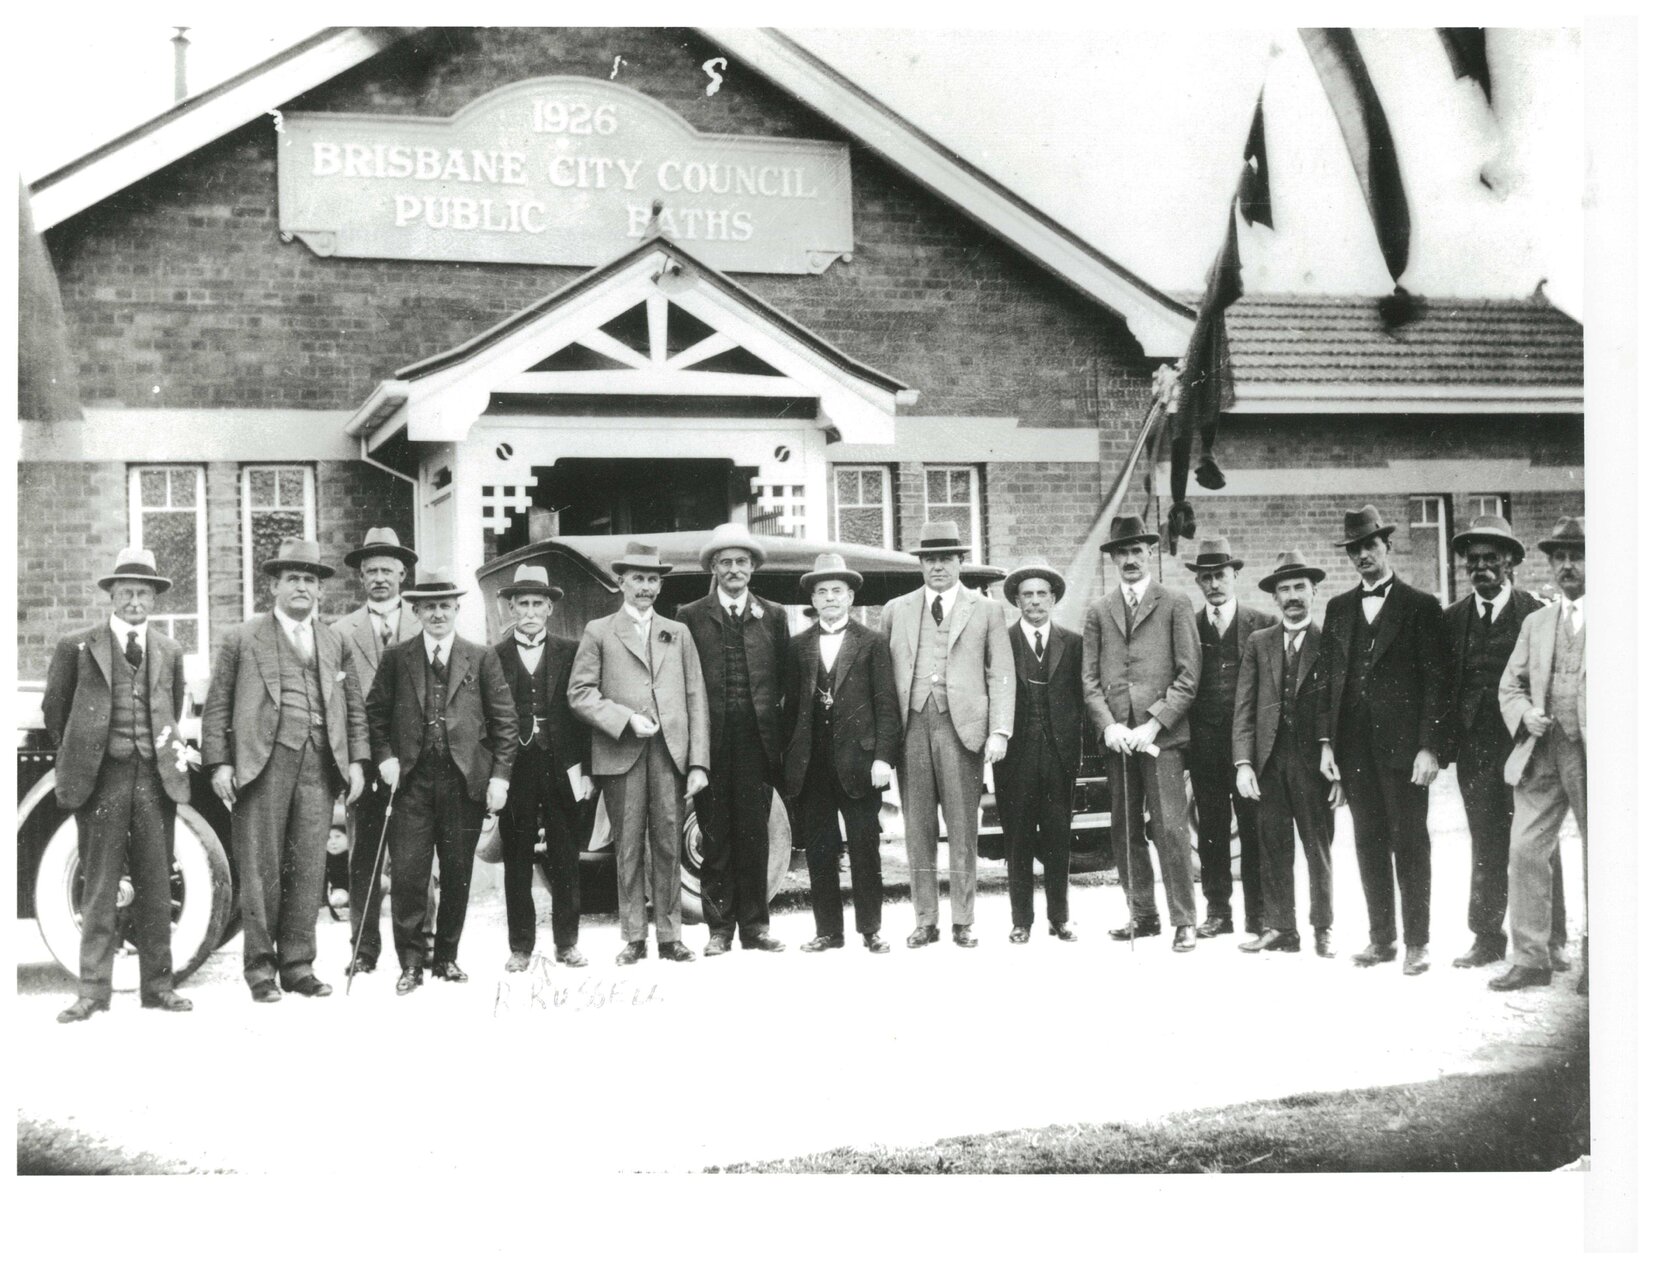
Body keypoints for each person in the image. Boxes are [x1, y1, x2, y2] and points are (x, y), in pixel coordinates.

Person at [201, 538, 368, 1002]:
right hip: (262, 765)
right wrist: (219, 762)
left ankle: (298, 966)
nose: (302, 587)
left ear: (320, 591)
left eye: (310, 580)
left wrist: (356, 762)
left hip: (319, 765)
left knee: (308, 869)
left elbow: (353, 709)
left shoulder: (335, 640)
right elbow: (217, 706)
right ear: (274, 586)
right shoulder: (242, 638)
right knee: (260, 871)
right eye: (292, 578)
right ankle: (260, 972)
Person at [44, 547, 195, 1021]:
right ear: (111, 595)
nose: (135, 601)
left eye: (144, 593)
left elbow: (170, 708)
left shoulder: (169, 651)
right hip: (101, 779)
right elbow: (56, 711)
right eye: (126, 591)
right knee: (100, 882)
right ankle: (92, 991)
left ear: (154, 600)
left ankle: (159, 987)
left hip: (154, 778)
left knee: (155, 882)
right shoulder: (77, 646)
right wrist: (87, 753)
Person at [365, 567, 516, 996]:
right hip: (410, 783)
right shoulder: (398, 657)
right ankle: (411, 962)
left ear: (456, 609)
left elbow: (505, 724)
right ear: (415, 610)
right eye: (428, 606)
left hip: (462, 783)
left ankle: (446, 957)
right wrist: (386, 758)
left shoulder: (481, 657)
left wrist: (500, 779)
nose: (437, 614)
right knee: (410, 876)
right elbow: (374, 715)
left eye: (444, 606)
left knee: (457, 873)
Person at [1319, 505, 1449, 976]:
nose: (1362, 556)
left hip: (1404, 752)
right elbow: (1329, 683)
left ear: (1386, 546)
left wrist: (1429, 746)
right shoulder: (1338, 609)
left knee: (1410, 841)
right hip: (1354, 751)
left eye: (1370, 546)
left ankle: (1418, 942)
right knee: (1368, 841)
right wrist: (1326, 744)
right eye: (1354, 549)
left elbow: (1438, 682)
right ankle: (1382, 939)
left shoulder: (1420, 606)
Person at [569, 542, 710, 966]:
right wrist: (624, 719)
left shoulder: (677, 631)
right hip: (621, 753)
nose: (646, 587)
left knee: (668, 843)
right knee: (628, 846)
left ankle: (670, 937)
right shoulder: (599, 631)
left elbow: (695, 697)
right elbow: (579, 693)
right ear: (621, 582)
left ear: (660, 585)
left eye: (653, 580)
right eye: (638, 579)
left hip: (669, 754)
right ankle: (633, 936)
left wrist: (699, 762)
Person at [881, 521, 1014, 949]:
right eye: (930, 559)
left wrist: (999, 730)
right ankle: (925, 919)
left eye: (946, 558)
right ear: (921, 564)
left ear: (960, 562)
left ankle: (963, 920)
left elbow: (1001, 673)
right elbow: (884, 680)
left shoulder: (986, 609)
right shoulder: (896, 609)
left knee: (962, 827)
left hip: (963, 730)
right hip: (912, 727)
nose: (937, 566)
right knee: (917, 829)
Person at [1442, 514, 1566, 971]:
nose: (1481, 569)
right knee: (1486, 841)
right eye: (1472, 561)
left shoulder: (1536, 613)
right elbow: (1442, 686)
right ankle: (1487, 937)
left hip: (1526, 745)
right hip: (1475, 748)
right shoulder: (1452, 618)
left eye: (1491, 559)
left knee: (1537, 841)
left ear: (1511, 562)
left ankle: (1552, 939)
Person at [1082, 514, 1202, 951]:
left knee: (1170, 827)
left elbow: (1189, 674)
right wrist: (1109, 725)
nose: (1130, 559)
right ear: (1113, 558)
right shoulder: (1099, 610)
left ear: (1149, 553)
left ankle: (1184, 920)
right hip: (1118, 740)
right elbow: (1089, 680)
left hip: (1160, 739)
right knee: (1125, 828)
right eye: (1122, 552)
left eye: (1137, 551)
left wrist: (1153, 722)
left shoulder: (1175, 602)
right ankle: (1143, 914)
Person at [678, 523, 791, 955]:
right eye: (724, 562)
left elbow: (784, 679)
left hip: (757, 742)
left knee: (754, 834)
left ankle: (756, 927)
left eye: (741, 562)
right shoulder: (690, 615)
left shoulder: (774, 615)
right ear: (713, 568)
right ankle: (719, 929)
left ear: (752, 568)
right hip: (710, 742)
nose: (733, 569)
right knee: (714, 833)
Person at [782, 553, 900, 953]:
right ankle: (828, 931)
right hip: (811, 763)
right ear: (812, 601)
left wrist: (884, 758)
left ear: (851, 597)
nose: (830, 598)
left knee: (865, 847)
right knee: (819, 849)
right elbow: (789, 708)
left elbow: (887, 705)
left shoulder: (872, 643)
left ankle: (870, 929)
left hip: (862, 764)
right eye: (822, 592)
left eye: (837, 591)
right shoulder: (797, 646)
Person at [1491, 515, 1588, 994]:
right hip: (1544, 751)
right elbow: (1510, 684)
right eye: (1560, 558)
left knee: (1606, 856)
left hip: (1595, 754)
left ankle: (1606, 961)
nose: (1567, 566)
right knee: (1525, 848)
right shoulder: (1537, 621)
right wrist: (1526, 713)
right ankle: (1531, 958)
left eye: (1577, 556)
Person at [1233, 550, 1340, 956]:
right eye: (1284, 589)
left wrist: (1338, 767)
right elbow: (1244, 707)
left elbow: (1339, 705)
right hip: (1269, 762)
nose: (1293, 596)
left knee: (1318, 848)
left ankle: (1323, 927)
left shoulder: (1329, 641)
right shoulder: (1259, 643)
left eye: (1299, 587)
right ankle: (1281, 928)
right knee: (1272, 844)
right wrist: (1244, 763)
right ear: (1275, 598)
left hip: (1314, 764)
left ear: (1314, 591)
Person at [330, 526, 425, 977]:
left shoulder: (425, 623)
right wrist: (353, 760)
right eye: (372, 571)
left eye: (388, 569)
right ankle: (363, 949)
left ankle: (419, 947)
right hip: (366, 762)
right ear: (361, 578)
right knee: (364, 858)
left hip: (417, 762)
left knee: (418, 859)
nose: (380, 578)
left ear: (403, 574)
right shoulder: (340, 632)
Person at [492, 564, 593, 971]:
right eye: (523, 604)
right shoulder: (494, 656)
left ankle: (567, 943)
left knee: (565, 854)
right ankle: (520, 947)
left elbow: (583, 711)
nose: (531, 611)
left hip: (562, 763)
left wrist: (585, 769)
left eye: (538, 603)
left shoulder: (571, 651)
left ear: (550, 608)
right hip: (516, 766)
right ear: (511, 608)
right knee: (516, 856)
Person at [1184, 536, 1274, 939]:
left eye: (1220, 575)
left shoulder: (1263, 623)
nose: (1214, 584)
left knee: (1254, 828)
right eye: (1206, 578)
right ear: (1199, 583)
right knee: (1211, 830)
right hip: (1204, 746)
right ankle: (1218, 912)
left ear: (1235, 575)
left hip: (1249, 748)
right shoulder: (1189, 625)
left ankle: (1258, 916)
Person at [997, 558, 1085, 944]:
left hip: (1059, 756)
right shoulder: (1001, 641)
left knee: (1057, 837)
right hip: (1014, 757)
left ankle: (1060, 917)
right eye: (1027, 594)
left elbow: (1083, 699)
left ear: (1053, 599)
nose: (1034, 601)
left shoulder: (1074, 643)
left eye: (1041, 594)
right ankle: (1021, 920)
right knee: (1016, 839)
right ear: (1017, 600)